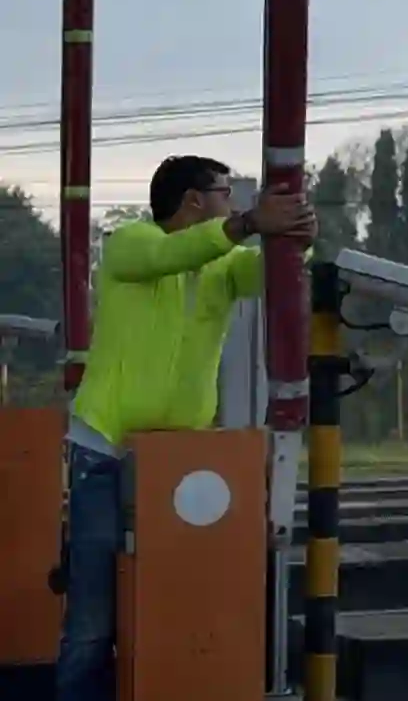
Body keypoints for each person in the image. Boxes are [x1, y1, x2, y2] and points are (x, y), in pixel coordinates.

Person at [56, 156, 313, 701]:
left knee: (176, 606)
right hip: (104, 451)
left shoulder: (223, 265)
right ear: (195, 200)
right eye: (225, 193)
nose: (233, 202)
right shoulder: (130, 243)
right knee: (93, 622)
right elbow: (173, 254)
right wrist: (249, 225)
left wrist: (296, 235)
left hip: (180, 460)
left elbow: (270, 272)